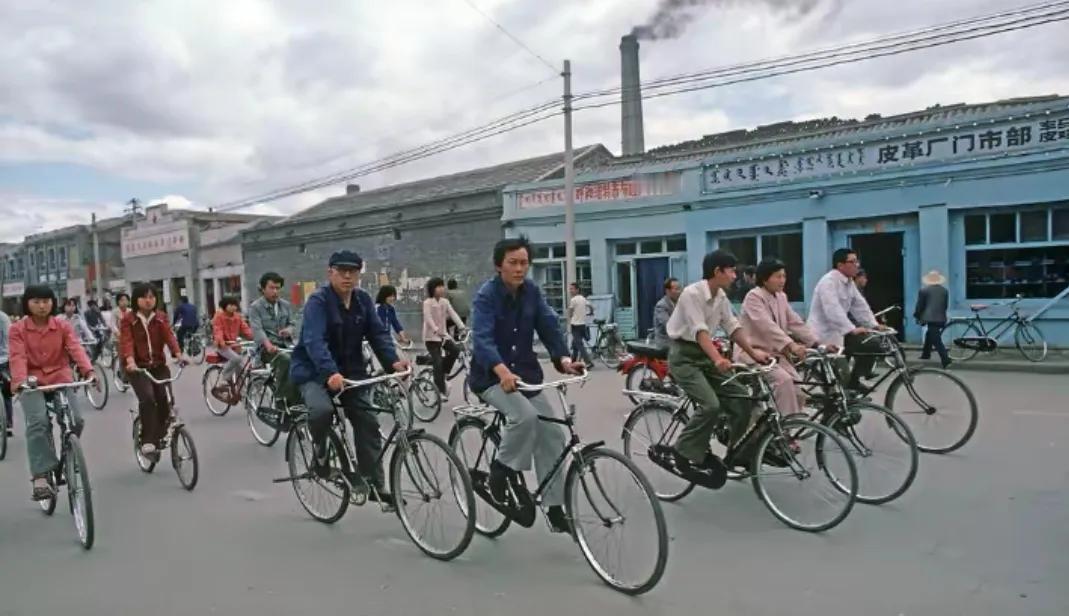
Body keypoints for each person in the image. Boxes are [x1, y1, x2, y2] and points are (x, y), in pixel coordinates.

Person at [470, 237, 585, 533]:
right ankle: (500, 471)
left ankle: (555, 507)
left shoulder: (532, 292)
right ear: (499, 265)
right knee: (524, 417)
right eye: (513, 263)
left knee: (552, 434)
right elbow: (481, 339)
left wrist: (564, 359)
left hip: (525, 375)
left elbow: (548, 325)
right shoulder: (486, 296)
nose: (520, 268)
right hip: (491, 377)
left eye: (524, 263)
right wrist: (501, 370)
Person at [289, 250, 409, 505]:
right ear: (330, 272)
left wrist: (393, 362)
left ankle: (374, 483)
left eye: (352, 271)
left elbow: (378, 335)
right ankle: (320, 454)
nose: (347, 276)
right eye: (341, 271)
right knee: (321, 410)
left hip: (351, 372)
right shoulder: (318, 302)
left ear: (358, 274)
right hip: (313, 370)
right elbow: (314, 341)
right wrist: (330, 372)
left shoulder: (363, 300)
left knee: (367, 421)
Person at [666, 250, 770, 477]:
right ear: (717, 271)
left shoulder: (721, 296)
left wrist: (754, 353)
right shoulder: (691, 294)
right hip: (684, 357)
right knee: (710, 405)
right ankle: (683, 452)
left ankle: (736, 453)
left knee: (741, 398)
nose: (735, 276)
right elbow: (700, 331)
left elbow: (733, 327)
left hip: (705, 355)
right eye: (732, 271)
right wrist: (718, 359)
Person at [8, 285, 97, 500]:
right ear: (27, 303)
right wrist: (20, 381)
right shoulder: (18, 329)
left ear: (53, 302)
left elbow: (75, 347)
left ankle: (69, 455)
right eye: (36, 302)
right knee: (39, 422)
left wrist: (89, 371)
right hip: (32, 382)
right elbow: (18, 357)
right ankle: (40, 475)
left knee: (76, 419)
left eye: (46, 301)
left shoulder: (62, 325)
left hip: (60, 377)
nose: (42, 306)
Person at [736, 259, 819, 416]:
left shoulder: (781, 297)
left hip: (776, 355)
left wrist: (816, 342)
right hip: (753, 353)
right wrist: (791, 345)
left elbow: (794, 321)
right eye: (777, 276)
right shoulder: (753, 297)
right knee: (783, 382)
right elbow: (767, 326)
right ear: (764, 278)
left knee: (799, 390)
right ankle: (783, 432)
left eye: (784, 276)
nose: (782, 280)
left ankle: (781, 425)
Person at [120, 283, 187, 457]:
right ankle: (148, 440)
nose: (149, 301)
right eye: (144, 297)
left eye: (152, 297)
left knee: (165, 399)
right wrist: (130, 361)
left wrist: (178, 354)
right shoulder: (129, 319)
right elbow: (126, 342)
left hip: (158, 365)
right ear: (136, 300)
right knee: (148, 399)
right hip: (137, 368)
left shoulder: (160, 317)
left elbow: (169, 336)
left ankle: (159, 435)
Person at [807, 248, 883, 392]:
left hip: (840, 332)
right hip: (824, 336)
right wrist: (852, 329)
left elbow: (860, 306)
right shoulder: (828, 282)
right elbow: (832, 310)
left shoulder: (849, 283)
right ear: (840, 265)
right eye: (852, 262)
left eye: (857, 261)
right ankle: (834, 406)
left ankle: (854, 381)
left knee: (872, 344)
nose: (857, 265)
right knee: (838, 382)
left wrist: (874, 325)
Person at [249, 272, 298, 407]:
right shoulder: (256, 307)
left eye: (278, 288)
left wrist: (289, 330)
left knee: (304, 359)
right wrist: (268, 344)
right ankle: (281, 397)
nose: (275, 291)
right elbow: (257, 329)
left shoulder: (285, 305)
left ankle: (297, 396)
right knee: (285, 360)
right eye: (271, 288)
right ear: (263, 289)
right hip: (265, 349)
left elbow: (293, 323)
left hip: (285, 345)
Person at [422, 277, 463, 397]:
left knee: (455, 350)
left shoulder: (445, 302)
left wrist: (461, 326)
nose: (441, 289)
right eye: (438, 286)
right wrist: (435, 329)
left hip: (444, 336)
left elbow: (453, 314)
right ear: (432, 289)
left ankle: (443, 374)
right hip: (431, 338)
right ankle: (440, 390)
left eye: (442, 286)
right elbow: (428, 318)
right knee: (438, 362)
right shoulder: (427, 303)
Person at [211, 296, 253, 404]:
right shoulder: (219, 316)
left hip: (234, 345)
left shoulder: (238, 317)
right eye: (231, 305)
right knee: (237, 359)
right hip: (222, 346)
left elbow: (245, 329)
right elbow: (218, 330)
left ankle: (241, 393)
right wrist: (221, 341)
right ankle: (223, 380)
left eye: (235, 305)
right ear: (225, 306)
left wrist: (255, 337)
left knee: (242, 369)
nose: (233, 307)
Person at [915, 269, 952, 369]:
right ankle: (926, 354)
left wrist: (917, 316)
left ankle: (946, 359)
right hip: (941, 317)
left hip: (930, 318)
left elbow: (920, 306)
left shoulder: (924, 291)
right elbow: (945, 305)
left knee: (936, 340)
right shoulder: (945, 291)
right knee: (930, 334)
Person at [567, 282, 594, 367]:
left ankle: (588, 362)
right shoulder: (583, 298)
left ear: (577, 290)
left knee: (579, 344)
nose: (570, 291)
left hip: (575, 325)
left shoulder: (573, 300)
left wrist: (570, 317)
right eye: (570, 289)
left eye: (572, 289)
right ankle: (573, 361)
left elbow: (570, 312)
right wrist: (590, 313)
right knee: (575, 343)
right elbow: (591, 306)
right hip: (582, 325)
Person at [653, 277, 681, 348]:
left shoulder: (679, 303)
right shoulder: (661, 305)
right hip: (665, 343)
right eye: (677, 289)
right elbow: (669, 325)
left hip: (677, 341)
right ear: (668, 291)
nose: (679, 291)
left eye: (680, 288)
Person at [1, 309, 13, 437]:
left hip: (4, 360)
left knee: (6, 393)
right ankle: (9, 424)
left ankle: (8, 423)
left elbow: (9, 340)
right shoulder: (4, 317)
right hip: (5, 359)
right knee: (7, 394)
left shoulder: (3, 319)